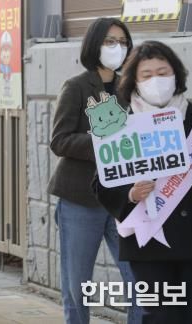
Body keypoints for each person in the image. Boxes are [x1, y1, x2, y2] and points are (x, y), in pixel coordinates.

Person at [95, 41, 192, 323]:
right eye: (147, 75)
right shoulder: (121, 125)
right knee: (158, 315)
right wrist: (130, 194)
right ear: (134, 81)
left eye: (162, 72)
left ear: (176, 75)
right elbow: (102, 183)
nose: (156, 80)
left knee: (188, 316)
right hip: (148, 240)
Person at [47, 17, 140, 324]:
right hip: (81, 199)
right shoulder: (76, 87)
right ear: (94, 45)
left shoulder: (132, 88)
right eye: (110, 41)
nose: (117, 48)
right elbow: (59, 140)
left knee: (139, 282)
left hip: (125, 199)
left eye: (123, 42)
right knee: (78, 287)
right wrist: (102, 142)